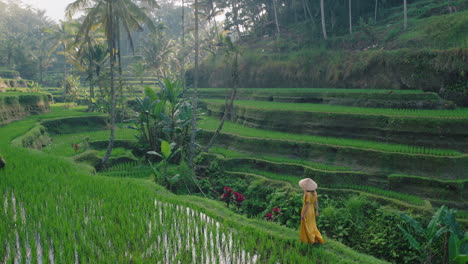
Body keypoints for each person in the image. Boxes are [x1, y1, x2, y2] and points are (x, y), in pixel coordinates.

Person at [299, 178, 324, 244]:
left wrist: (303, 214)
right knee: (312, 224)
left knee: (306, 224)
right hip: (312, 210)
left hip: (307, 210)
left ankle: (310, 239)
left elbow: (307, 205)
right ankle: (314, 236)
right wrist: (317, 211)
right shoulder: (314, 193)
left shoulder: (307, 194)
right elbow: (316, 202)